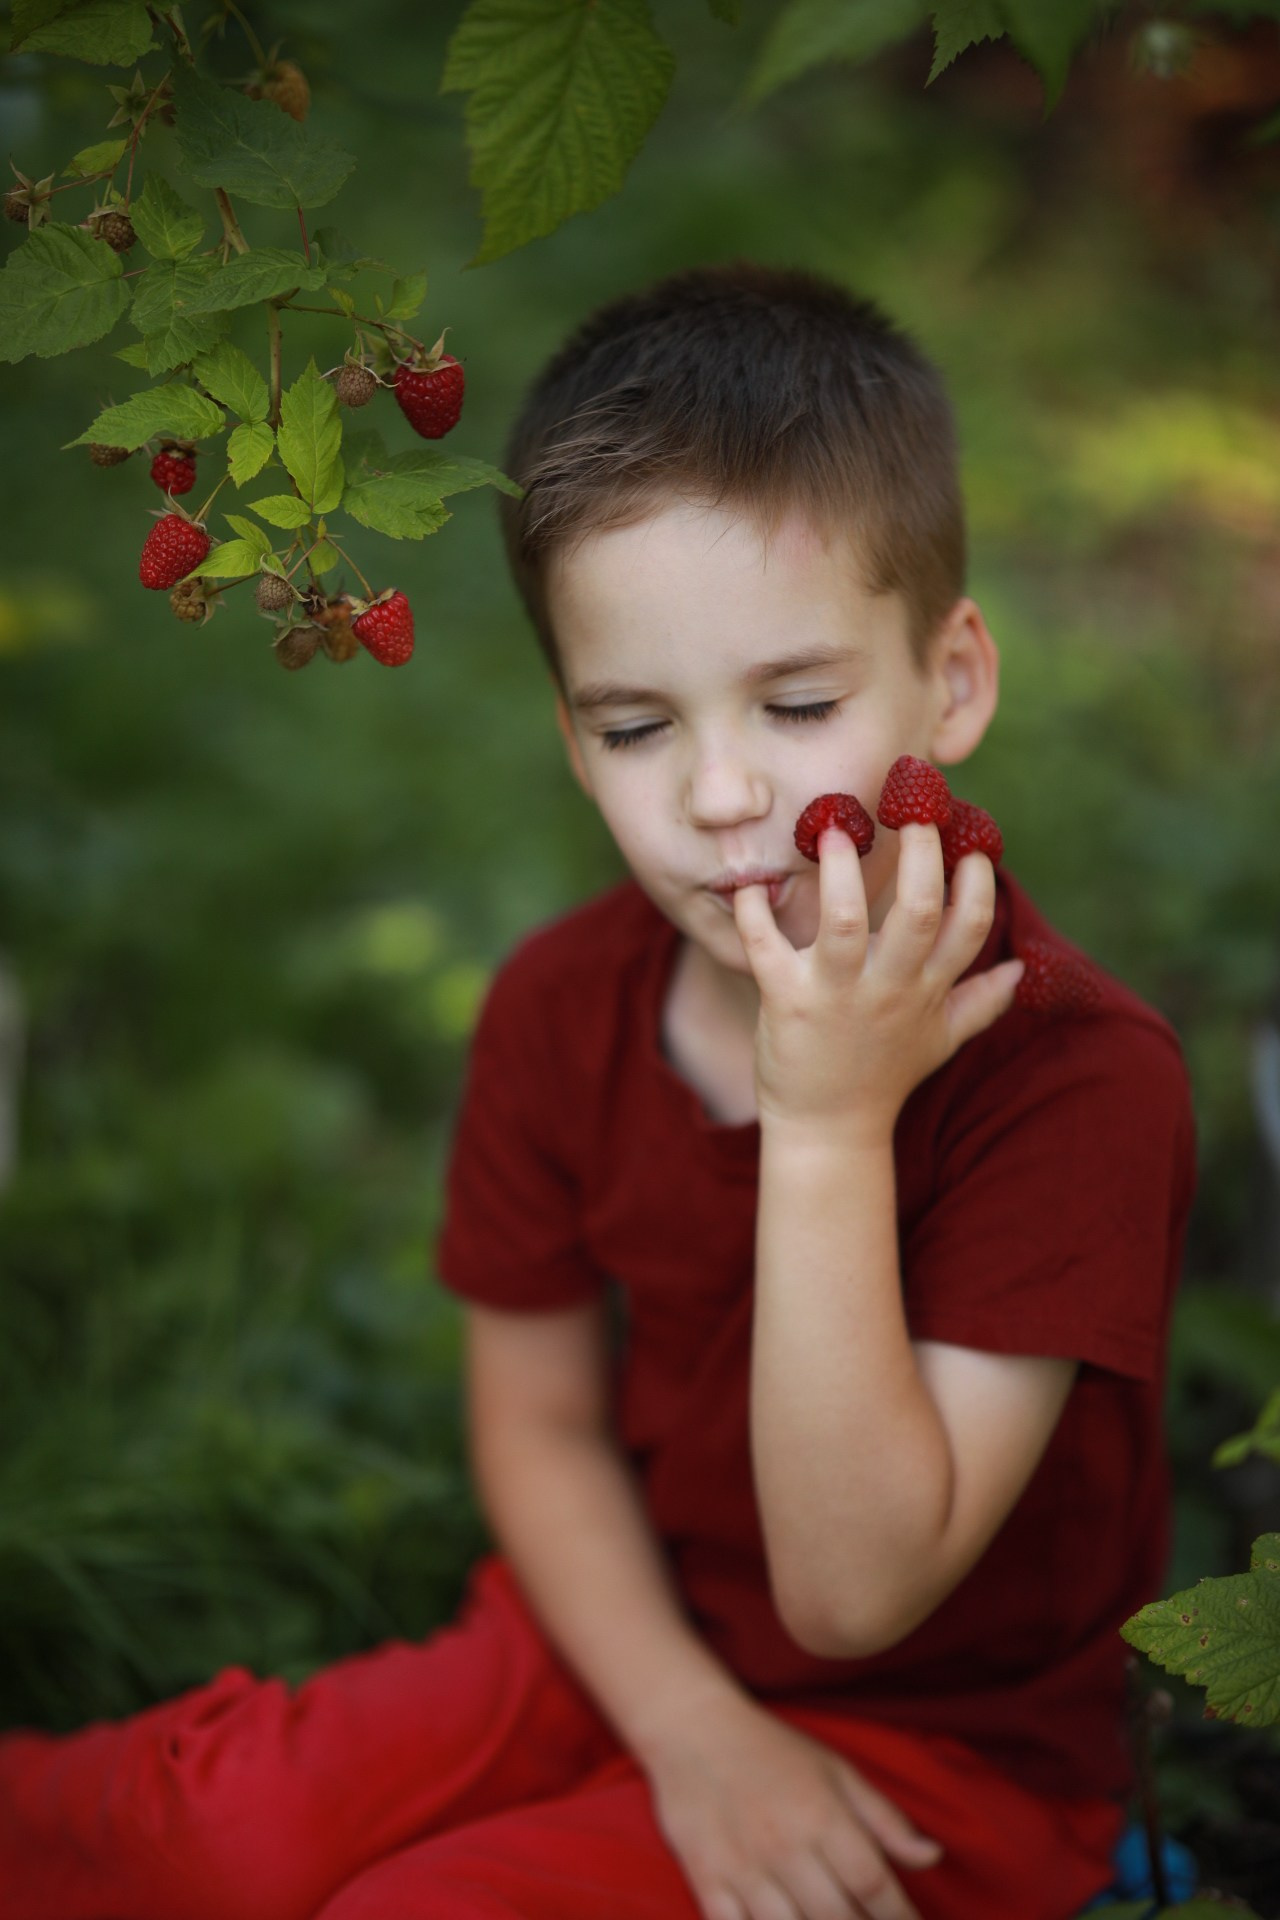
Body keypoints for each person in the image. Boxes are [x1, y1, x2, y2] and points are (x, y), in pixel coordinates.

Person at [0, 261, 1197, 1920]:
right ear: (572, 742)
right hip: (619, 1631)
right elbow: (544, 1422)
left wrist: (832, 1119)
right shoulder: (565, 1009)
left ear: (955, 681)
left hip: (934, 1762)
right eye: (637, 728)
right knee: (209, 1839)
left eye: (797, 705)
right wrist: (687, 1724)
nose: (718, 795)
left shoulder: (1075, 1077)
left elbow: (856, 1593)